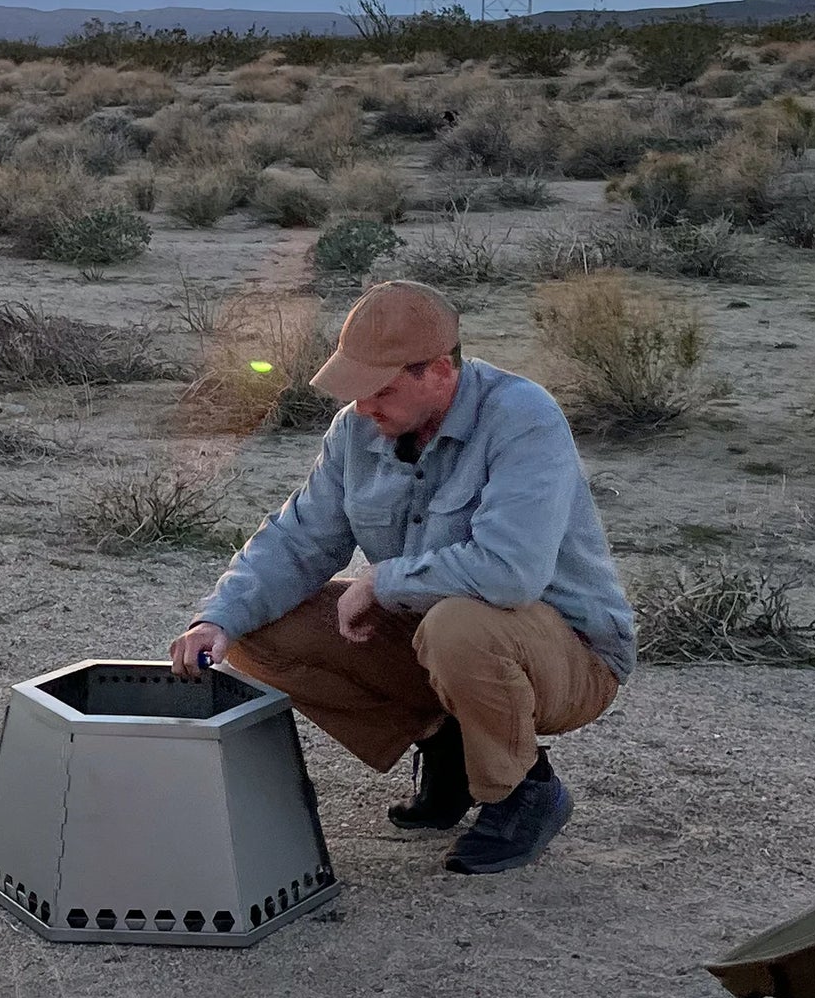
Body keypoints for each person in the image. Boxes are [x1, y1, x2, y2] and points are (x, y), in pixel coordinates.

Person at [168, 278, 634, 875]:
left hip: (570, 657)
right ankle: (450, 750)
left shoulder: (523, 419)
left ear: (439, 372)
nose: (364, 407)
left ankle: (524, 791)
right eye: (357, 389)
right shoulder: (356, 429)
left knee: (459, 624)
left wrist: (381, 581)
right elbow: (299, 538)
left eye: (381, 390)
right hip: (435, 640)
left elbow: (510, 573)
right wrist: (219, 617)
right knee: (264, 627)